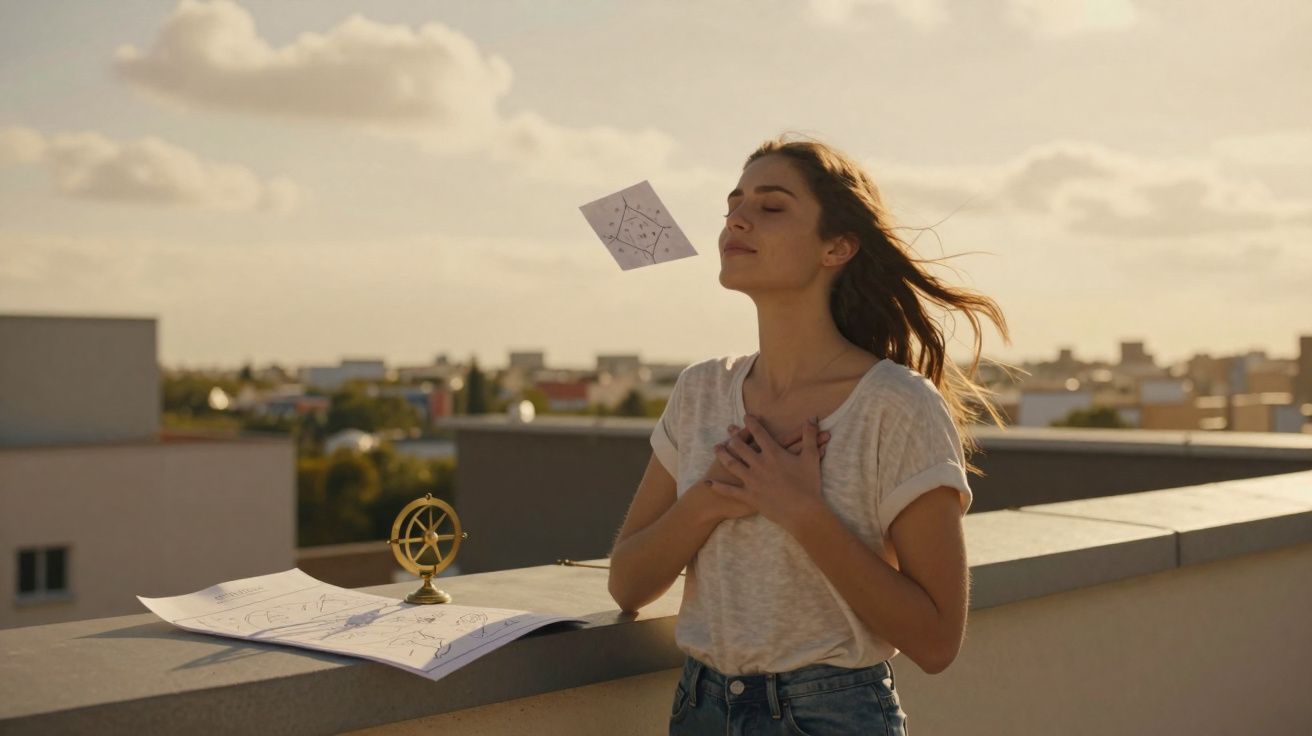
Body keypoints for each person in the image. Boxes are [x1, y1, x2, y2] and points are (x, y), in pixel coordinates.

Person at [606, 135, 1011, 735]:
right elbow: (628, 585)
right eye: (733, 205)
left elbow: (936, 640)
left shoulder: (894, 406)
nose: (736, 219)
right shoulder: (701, 392)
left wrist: (799, 510)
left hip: (831, 716)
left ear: (838, 246)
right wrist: (712, 498)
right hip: (699, 708)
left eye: (770, 207)